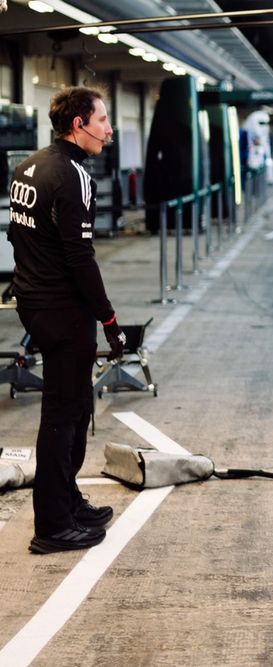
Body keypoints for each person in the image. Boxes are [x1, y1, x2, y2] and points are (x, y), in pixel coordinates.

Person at [6, 85, 125, 554]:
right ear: (79, 125)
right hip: (63, 309)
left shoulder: (27, 167)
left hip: (35, 302)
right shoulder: (73, 176)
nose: (108, 130)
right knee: (63, 414)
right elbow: (80, 258)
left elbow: (17, 237)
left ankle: (68, 500)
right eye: (102, 120)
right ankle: (53, 525)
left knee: (72, 408)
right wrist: (108, 318)